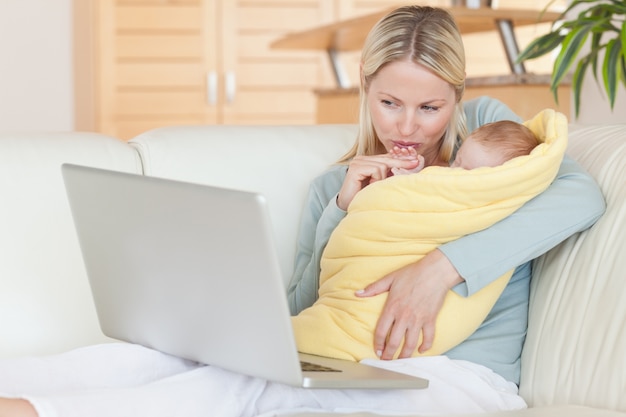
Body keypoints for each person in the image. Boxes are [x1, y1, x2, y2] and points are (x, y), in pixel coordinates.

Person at [0, 5, 605, 417]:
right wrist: (341, 212)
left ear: (458, 99)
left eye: (430, 108)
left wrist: (443, 267)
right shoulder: (335, 187)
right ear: (364, 87)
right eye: (390, 102)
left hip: (458, 379)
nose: (407, 127)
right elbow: (299, 318)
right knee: (153, 358)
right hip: (351, 363)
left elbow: (582, 194)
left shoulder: (492, 153)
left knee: (239, 388)